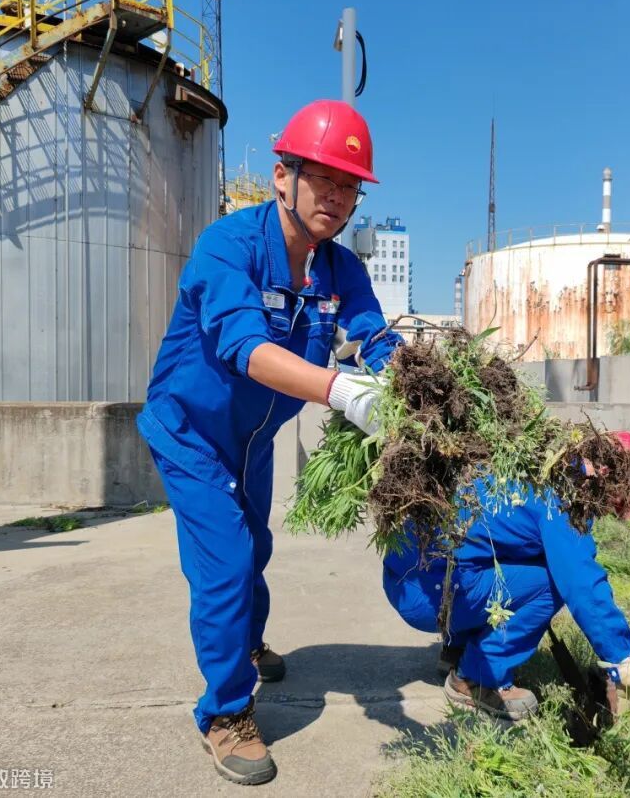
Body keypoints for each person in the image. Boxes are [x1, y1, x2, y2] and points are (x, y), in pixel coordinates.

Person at [137, 100, 401, 785]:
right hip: (192, 432)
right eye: (324, 179)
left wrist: (413, 379)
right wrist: (340, 390)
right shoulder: (229, 247)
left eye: (349, 187)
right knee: (225, 562)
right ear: (283, 177)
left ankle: (247, 645)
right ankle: (226, 713)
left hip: (254, 439)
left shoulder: (339, 270)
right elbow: (246, 349)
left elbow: (373, 336)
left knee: (255, 547)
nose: (336, 197)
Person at [382, 432, 630, 728]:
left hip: (408, 574)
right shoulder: (566, 499)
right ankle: (476, 678)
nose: (614, 512)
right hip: (428, 596)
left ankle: (457, 649)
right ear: (607, 472)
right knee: (551, 584)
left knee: (511, 553)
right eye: (621, 500)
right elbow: (583, 586)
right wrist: (623, 661)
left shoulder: (541, 463)